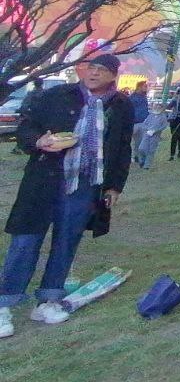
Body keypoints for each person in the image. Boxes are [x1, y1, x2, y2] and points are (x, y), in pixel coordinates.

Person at [1, 55, 133, 338]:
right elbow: (26, 126)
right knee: (25, 240)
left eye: (102, 70)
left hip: (85, 183)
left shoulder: (120, 105)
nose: (94, 73)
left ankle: (49, 299)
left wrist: (114, 186)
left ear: (113, 76)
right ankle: (4, 304)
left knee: (66, 241)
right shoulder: (58, 95)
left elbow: (122, 148)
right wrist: (39, 141)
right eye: (91, 68)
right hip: (45, 179)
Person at [135, 101, 168, 169]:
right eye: (156, 106)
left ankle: (147, 165)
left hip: (155, 136)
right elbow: (144, 124)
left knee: (151, 150)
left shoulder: (163, 117)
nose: (157, 108)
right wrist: (148, 130)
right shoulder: (150, 115)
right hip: (147, 134)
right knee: (141, 148)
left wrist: (155, 131)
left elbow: (164, 126)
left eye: (159, 107)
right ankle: (142, 160)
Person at [129, 83, 150, 163]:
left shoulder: (144, 97)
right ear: (139, 87)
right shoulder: (131, 98)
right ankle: (131, 156)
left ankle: (137, 156)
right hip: (133, 123)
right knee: (129, 142)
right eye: (145, 86)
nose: (146, 88)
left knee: (140, 142)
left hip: (143, 122)